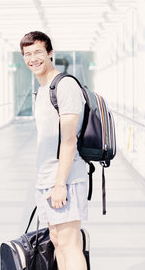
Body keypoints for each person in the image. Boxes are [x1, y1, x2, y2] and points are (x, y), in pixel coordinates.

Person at [20, 31, 88, 270]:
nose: (33, 58)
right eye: (27, 54)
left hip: (65, 179)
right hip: (47, 179)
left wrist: (60, 184)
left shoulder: (65, 85)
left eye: (38, 52)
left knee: (70, 245)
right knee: (57, 242)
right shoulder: (42, 90)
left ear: (50, 53)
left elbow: (69, 140)